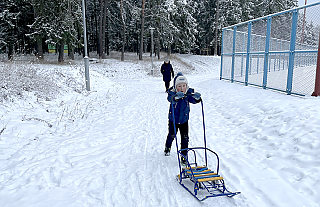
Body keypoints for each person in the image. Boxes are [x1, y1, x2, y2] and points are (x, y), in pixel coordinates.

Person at [164, 72, 201, 165]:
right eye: (179, 86)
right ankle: (167, 146)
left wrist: (197, 98)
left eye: (184, 86)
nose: (182, 88)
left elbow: (193, 100)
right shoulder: (172, 94)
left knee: (185, 138)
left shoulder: (188, 94)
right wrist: (176, 97)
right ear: (175, 87)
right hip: (174, 120)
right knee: (172, 135)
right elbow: (170, 98)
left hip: (184, 120)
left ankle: (184, 155)